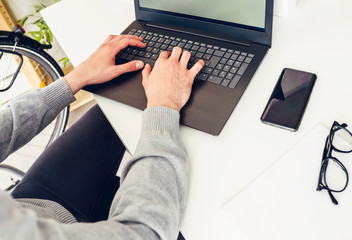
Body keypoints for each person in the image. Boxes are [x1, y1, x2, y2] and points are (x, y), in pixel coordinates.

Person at [0, 34, 204, 239]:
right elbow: (143, 233)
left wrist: (76, 78)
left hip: (35, 205)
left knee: (122, 102)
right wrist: (164, 105)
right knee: (201, 212)